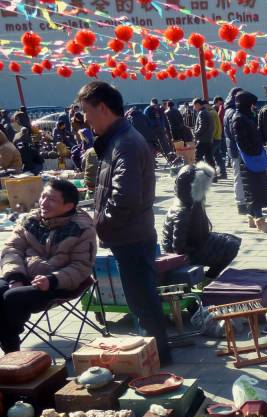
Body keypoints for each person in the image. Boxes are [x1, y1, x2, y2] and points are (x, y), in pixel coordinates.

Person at [78, 81, 171, 364]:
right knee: (141, 301)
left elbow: (125, 198)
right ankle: (156, 355)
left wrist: (99, 223)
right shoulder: (118, 140)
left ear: (102, 108)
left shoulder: (126, 144)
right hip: (128, 234)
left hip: (132, 235)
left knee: (143, 303)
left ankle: (157, 359)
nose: (84, 120)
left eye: (86, 112)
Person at [0, 180, 95, 353]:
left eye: (51, 199)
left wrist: (52, 280)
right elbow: (11, 249)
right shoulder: (30, 220)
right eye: (43, 196)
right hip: (24, 276)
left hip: (58, 283)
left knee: (13, 298)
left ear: (68, 206)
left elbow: (81, 267)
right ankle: (11, 351)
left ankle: (11, 351)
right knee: (2, 290)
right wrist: (16, 277)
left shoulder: (81, 228)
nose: (43, 203)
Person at [162, 162, 241, 279]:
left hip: (191, 242)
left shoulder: (189, 200)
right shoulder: (183, 211)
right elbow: (178, 247)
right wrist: (198, 248)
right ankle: (208, 278)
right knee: (230, 246)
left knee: (232, 241)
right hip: (186, 251)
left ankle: (208, 277)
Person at [231, 91, 267, 232]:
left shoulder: (245, 116)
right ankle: (260, 220)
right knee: (254, 190)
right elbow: (242, 141)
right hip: (249, 159)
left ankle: (251, 216)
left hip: (253, 157)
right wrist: (255, 151)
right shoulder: (239, 118)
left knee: (254, 188)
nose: (253, 107)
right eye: (251, 104)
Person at [192, 99, 216, 177]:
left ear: (198, 104)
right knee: (209, 158)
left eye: (194, 105)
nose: (193, 107)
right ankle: (212, 175)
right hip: (208, 139)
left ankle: (201, 174)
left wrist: (196, 133)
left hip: (202, 140)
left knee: (197, 157)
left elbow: (202, 126)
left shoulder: (202, 113)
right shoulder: (206, 112)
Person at [209, 103, 227, 180]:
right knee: (218, 157)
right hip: (218, 138)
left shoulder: (211, 113)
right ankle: (223, 173)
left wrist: (211, 138)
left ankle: (213, 175)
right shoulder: (215, 113)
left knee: (210, 157)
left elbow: (213, 128)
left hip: (214, 139)